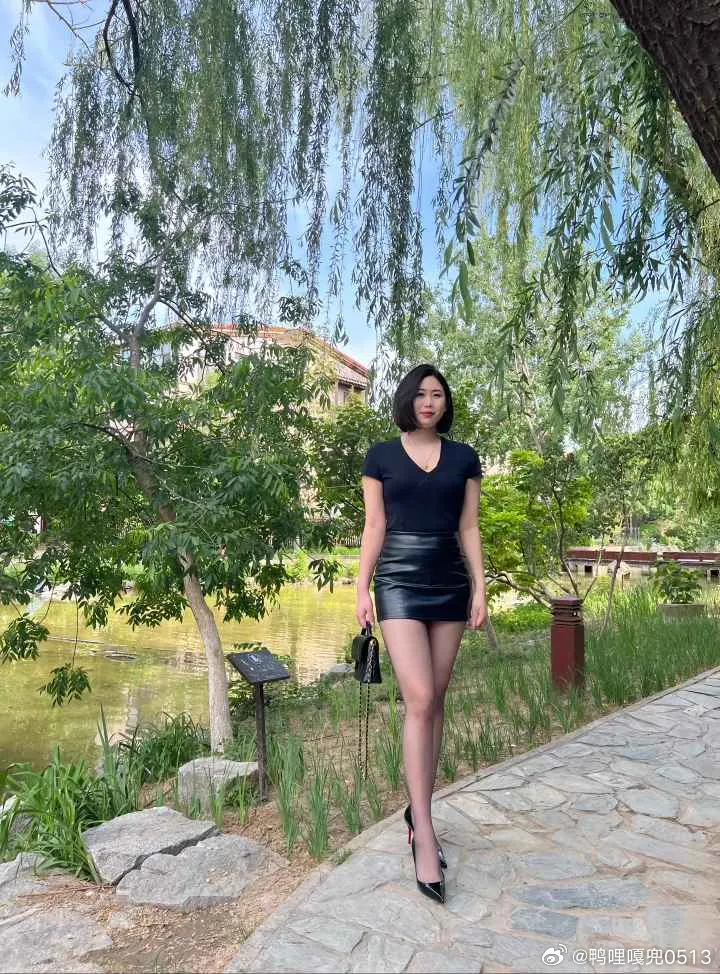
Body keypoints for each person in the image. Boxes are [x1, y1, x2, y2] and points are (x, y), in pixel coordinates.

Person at [356, 364, 487, 905]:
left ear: (445, 403)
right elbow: (374, 525)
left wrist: (480, 587)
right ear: (407, 400)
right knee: (420, 698)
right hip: (398, 582)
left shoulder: (465, 458)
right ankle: (426, 834)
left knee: (436, 703)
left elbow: (469, 526)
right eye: (421, 394)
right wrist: (361, 588)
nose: (429, 401)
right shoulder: (380, 457)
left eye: (438, 394)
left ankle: (419, 811)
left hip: (450, 581)